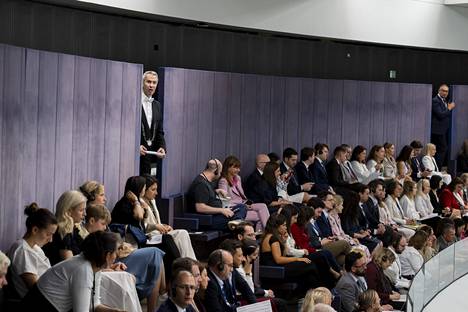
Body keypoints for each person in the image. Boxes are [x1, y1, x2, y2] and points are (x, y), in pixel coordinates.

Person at [22, 231, 125, 312]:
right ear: (107, 256)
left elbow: (94, 305)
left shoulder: (94, 266)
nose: (117, 256)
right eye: (116, 252)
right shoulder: (83, 269)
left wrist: (115, 311)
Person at [260, 214, 324, 295]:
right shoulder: (273, 238)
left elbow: (283, 255)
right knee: (310, 265)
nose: (286, 227)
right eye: (283, 225)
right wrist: (297, 259)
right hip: (275, 270)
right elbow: (278, 259)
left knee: (309, 274)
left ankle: (308, 296)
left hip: (277, 268)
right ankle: (320, 293)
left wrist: (284, 242)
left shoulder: (271, 236)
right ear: (276, 226)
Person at [7, 203, 57, 298]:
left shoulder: (36, 248)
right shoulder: (22, 250)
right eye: (48, 234)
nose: (51, 240)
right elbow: (35, 288)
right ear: (35, 230)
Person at [140, 175, 196, 259]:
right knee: (181, 234)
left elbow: (155, 222)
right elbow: (141, 226)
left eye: (156, 189)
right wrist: (156, 227)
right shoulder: (139, 203)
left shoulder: (152, 201)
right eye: (153, 189)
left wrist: (164, 226)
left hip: (159, 233)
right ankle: (187, 264)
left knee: (183, 233)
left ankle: (190, 262)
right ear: (144, 190)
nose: (156, 193)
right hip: (150, 237)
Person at [186, 159, 247, 230]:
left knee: (241, 207)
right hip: (208, 220)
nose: (220, 174)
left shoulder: (206, 181)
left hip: (215, 215)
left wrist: (216, 191)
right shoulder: (201, 184)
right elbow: (200, 207)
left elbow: (205, 194)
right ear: (216, 171)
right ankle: (237, 223)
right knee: (241, 225)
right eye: (220, 172)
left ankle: (236, 222)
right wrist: (221, 210)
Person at [218, 156, 270, 230]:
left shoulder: (238, 178)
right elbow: (224, 202)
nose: (238, 170)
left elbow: (241, 196)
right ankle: (266, 233)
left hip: (244, 204)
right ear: (228, 168)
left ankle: (264, 233)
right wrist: (242, 205)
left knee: (263, 206)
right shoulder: (223, 181)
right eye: (236, 168)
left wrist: (245, 204)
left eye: (239, 168)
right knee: (260, 216)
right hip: (235, 209)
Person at [139, 70, 166, 175]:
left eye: (154, 83)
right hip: (134, 156)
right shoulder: (134, 101)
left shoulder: (157, 105)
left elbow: (160, 131)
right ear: (142, 83)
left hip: (151, 155)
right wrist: (134, 146)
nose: (151, 85)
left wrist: (162, 147)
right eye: (148, 82)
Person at [431, 84, 455, 168]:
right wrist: (449, 108)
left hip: (444, 130)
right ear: (439, 91)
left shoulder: (444, 101)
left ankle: (437, 167)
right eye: (443, 91)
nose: (445, 93)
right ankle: (437, 168)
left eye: (447, 91)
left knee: (440, 149)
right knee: (443, 149)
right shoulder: (435, 100)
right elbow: (440, 115)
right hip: (437, 131)